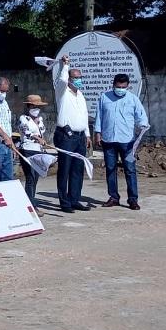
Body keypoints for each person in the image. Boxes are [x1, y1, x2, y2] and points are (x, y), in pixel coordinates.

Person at [94, 74, 149, 211]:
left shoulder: (133, 99)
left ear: (128, 86)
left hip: (128, 142)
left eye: (123, 87)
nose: (120, 89)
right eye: (118, 87)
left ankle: (133, 200)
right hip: (108, 140)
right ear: (113, 85)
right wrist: (97, 133)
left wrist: (143, 125)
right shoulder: (104, 97)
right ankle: (113, 197)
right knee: (110, 169)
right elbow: (99, 116)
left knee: (130, 170)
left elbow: (141, 116)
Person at [53, 55, 91, 213]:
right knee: (65, 169)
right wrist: (65, 66)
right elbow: (61, 80)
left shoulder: (80, 95)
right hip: (66, 136)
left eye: (80, 77)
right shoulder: (62, 92)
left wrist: (87, 134)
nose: (78, 80)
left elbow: (85, 115)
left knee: (77, 169)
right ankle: (64, 202)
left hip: (80, 136)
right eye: (75, 78)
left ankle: (74, 199)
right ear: (69, 79)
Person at [17, 94, 48, 211]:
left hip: (38, 150)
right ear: (29, 106)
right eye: (35, 106)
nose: (37, 109)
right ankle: (31, 206)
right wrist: (37, 138)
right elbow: (26, 132)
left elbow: (42, 132)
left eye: (38, 106)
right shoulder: (23, 119)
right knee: (30, 177)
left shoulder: (40, 119)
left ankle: (31, 200)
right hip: (27, 150)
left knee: (35, 177)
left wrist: (42, 140)